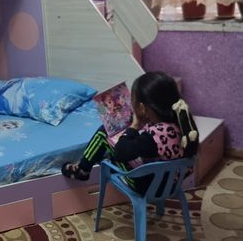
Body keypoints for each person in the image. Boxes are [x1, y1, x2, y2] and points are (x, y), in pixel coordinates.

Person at [61, 71, 198, 192]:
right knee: (126, 144)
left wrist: (134, 126)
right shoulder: (182, 122)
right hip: (172, 183)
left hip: (148, 186)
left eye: (133, 100)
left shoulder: (152, 138)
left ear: (142, 108)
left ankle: (83, 169)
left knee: (104, 133)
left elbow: (120, 153)